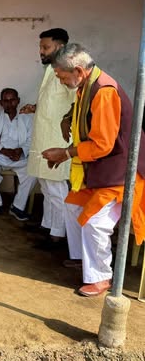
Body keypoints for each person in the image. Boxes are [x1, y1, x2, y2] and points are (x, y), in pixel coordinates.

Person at [43, 44, 145, 297]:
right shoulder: (87, 86)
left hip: (121, 174)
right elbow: (86, 118)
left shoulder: (104, 92)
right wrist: (68, 120)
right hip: (102, 170)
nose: (61, 81)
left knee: (95, 223)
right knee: (72, 206)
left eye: (62, 77)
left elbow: (103, 144)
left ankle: (101, 277)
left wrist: (66, 153)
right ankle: (82, 259)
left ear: (78, 71)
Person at [20, 28, 75, 248]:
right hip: (43, 137)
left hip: (57, 139)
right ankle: (48, 226)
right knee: (45, 185)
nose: (41, 51)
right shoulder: (51, 69)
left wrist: (68, 119)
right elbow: (54, 102)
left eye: (46, 47)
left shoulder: (68, 70)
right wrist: (35, 107)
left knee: (56, 189)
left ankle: (58, 235)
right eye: (40, 47)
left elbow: (76, 101)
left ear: (60, 47)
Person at [0, 88, 36, 220]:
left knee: (32, 171)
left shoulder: (27, 119)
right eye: (6, 101)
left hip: (18, 156)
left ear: (18, 101)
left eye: (12, 100)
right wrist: (3, 150)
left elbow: (31, 140)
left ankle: (18, 207)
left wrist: (21, 150)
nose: (9, 104)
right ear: (1, 103)